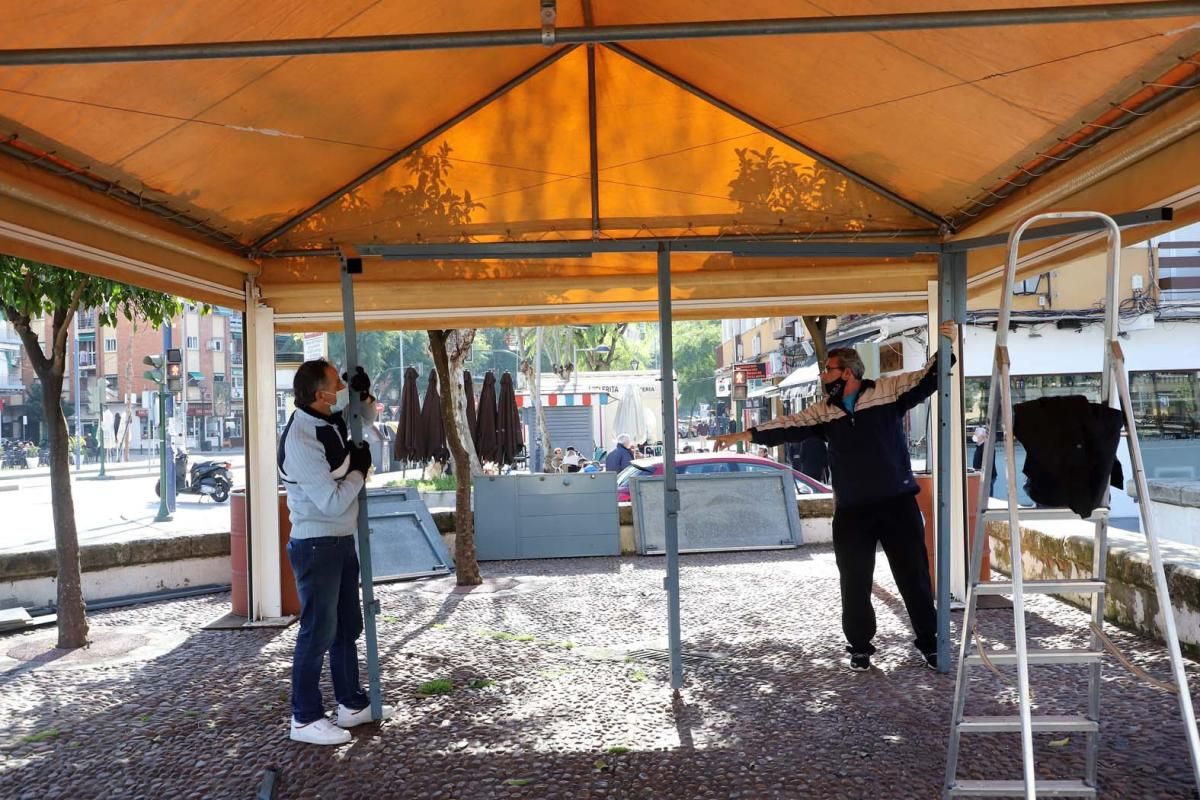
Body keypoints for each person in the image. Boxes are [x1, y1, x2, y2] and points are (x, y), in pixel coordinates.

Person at [714, 322, 958, 673]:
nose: (823, 374)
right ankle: (860, 647)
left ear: (848, 372)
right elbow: (787, 425)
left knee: (914, 578)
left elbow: (928, 377)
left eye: (827, 369)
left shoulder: (889, 392)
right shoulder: (824, 411)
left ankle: (931, 644)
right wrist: (743, 434)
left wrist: (949, 342)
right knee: (854, 582)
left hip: (897, 504)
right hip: (853, 511)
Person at [277, 360, 394, 745]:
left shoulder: (326, 419)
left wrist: (362, 393)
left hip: (340, 542)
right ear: (318, 394)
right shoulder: (301, 440)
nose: (340, 387)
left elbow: (360, 415)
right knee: (318, 632)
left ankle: (350, 703)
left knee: (347, 626)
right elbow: (330, 501)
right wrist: (360, 472)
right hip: (317, 544)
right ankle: (305, 717)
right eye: (336, 383)